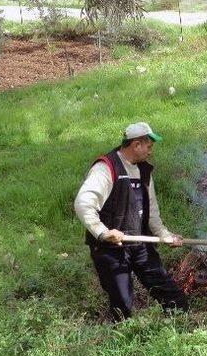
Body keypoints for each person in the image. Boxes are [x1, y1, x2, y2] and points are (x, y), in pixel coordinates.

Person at [74, 121, 188, 321]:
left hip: (140, 243)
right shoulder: (106, 168)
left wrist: (164, 235)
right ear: (136, 145)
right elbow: (83, 203)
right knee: (122, 307)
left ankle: (180, 330)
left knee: (174, 298)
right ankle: (123, 338)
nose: (150, 152)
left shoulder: (143, 170)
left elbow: (151, 210)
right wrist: (103, 232)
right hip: (110, 249)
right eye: (148, 147)